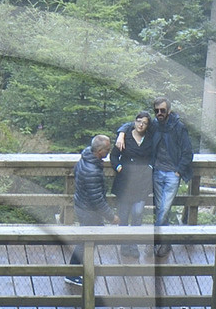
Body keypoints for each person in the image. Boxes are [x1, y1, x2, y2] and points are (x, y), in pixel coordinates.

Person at [66, 130, 116, 281]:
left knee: (90, 239)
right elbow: (97, 200)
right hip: (88, 209)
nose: (109, 151)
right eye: (107, 149)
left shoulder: (86, 158)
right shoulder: (92, 171)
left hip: (82, 204)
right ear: (100, 151)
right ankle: (73, 273)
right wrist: (112, 217)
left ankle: (80, 268)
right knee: (86, 241)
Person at [150, 95, 196, 226]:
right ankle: (164, 244)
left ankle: (155, 238)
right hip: (157, 171)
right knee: (160, 208)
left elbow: (187, 151)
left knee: (164, 208)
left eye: (162, 110)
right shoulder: (154, 125)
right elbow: (136, 124)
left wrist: (179, 171)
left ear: (169, 111)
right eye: (156, 110)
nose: (159, 113)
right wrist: (122, 133)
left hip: (173, 173)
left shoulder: (178, 127)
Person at [113, 111, 155, 230]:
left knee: (138, 213)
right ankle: (124, 246)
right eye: (139, 121)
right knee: (123, 215)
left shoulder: (150, 139)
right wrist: (118, 167)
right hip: (125, 181)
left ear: (148, 125)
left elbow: (155, 156)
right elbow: (114, 156)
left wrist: (150, 167)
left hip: (142, 182)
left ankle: (134, 244)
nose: (141, 125)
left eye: (145, 123)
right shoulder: (125, 137)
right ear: (134, 122)